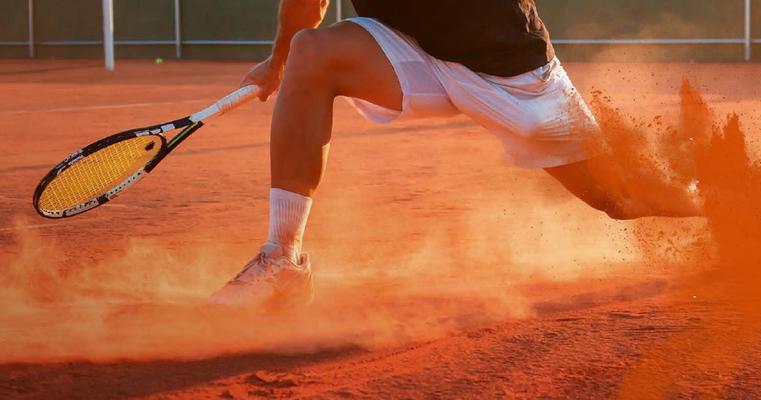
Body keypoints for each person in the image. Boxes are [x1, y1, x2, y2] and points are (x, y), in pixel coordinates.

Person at [209, 0, 701, 308]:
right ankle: (281, 263)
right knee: (311, 52)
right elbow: (306, 5)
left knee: (618, 198)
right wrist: (279, 65)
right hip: (415, 50)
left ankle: (725, 200)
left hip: (513, 75)